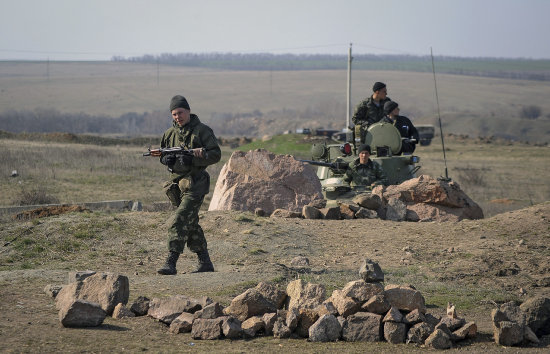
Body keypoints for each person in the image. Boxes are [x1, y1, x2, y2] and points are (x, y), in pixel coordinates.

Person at [157, 95, 221, 275]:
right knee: (190, 222)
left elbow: (215, 154)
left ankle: (171, 261)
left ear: (188, 111)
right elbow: (162, 154)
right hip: (177, 186)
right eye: (174, 114)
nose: (178, 117)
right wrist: (166, 160)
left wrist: (193, 158)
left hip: (196, 183)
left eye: (181, 112)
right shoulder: (169, 134)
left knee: (179, 220)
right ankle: (205, 261)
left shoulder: (202, 131)